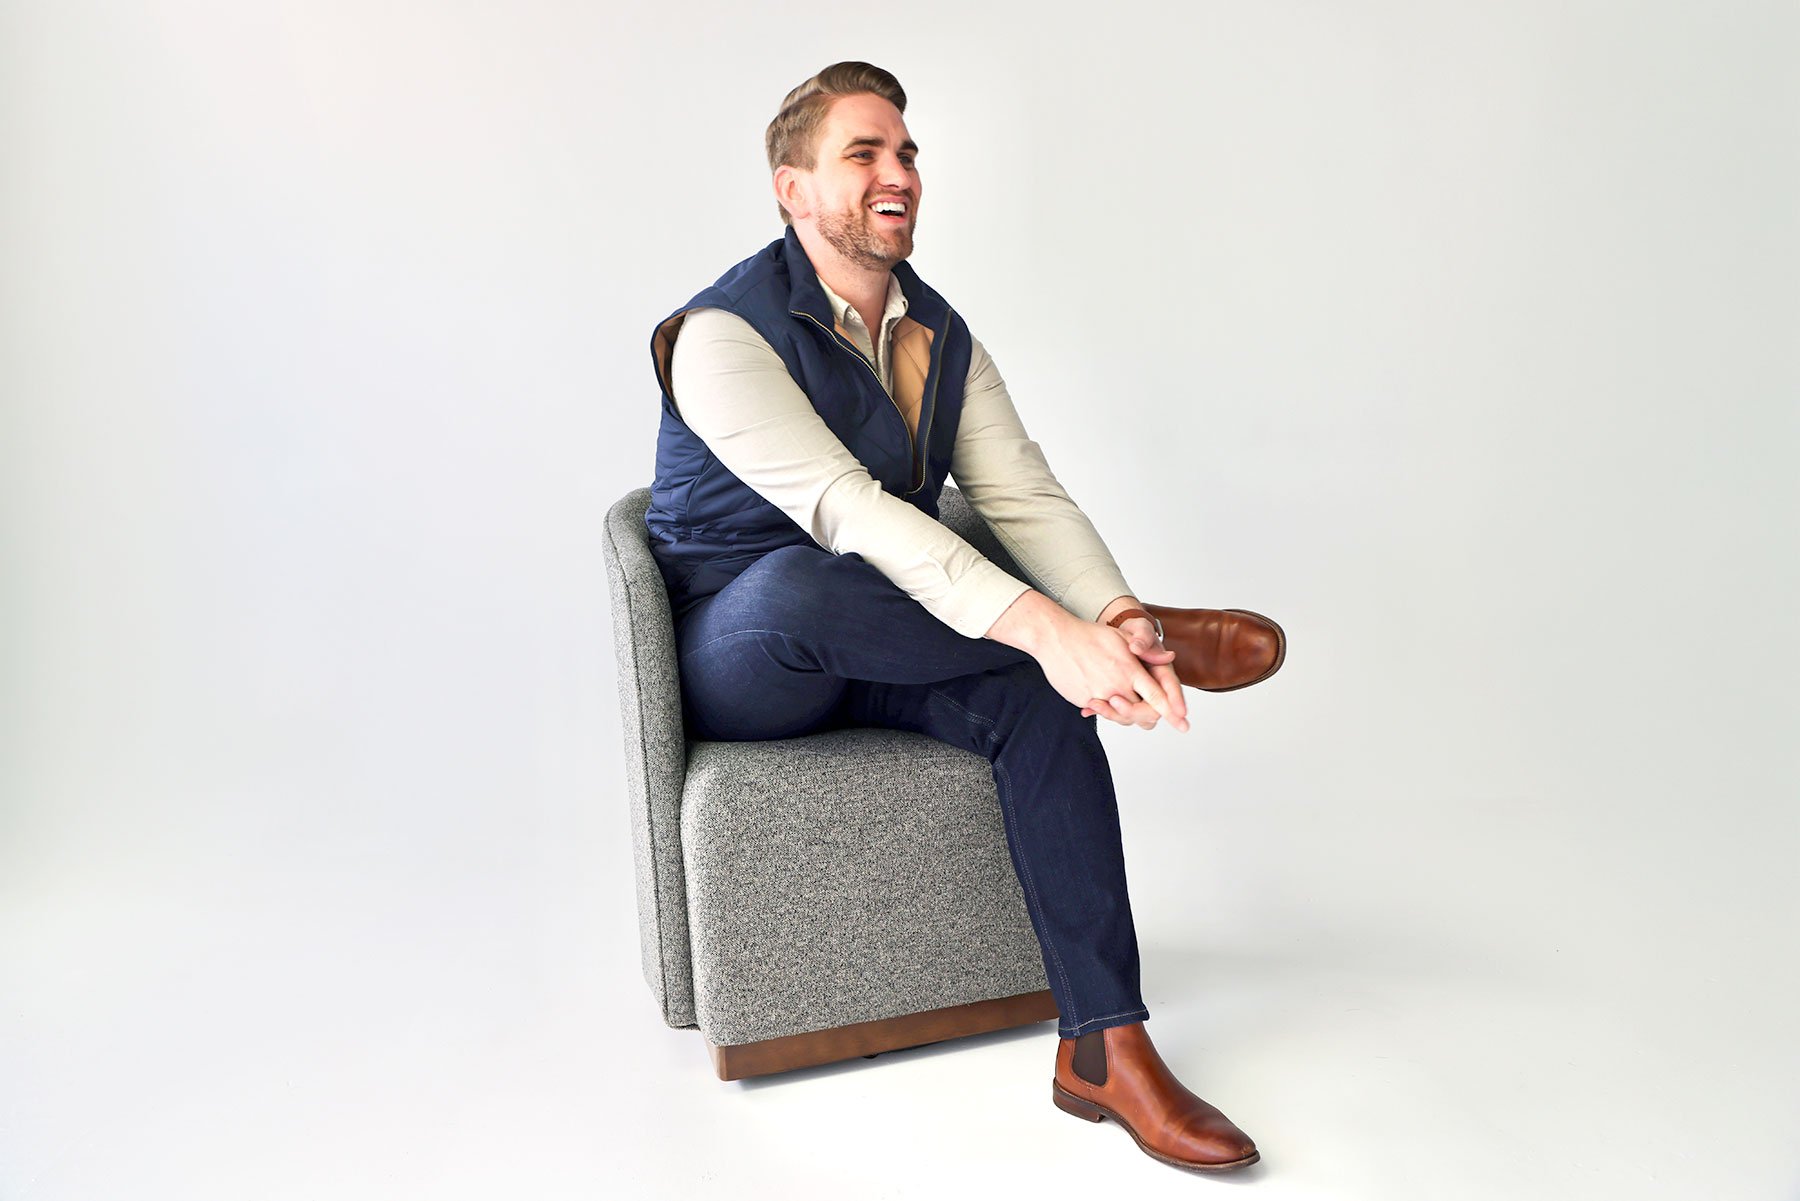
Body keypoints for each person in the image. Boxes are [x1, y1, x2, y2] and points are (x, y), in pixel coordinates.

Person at [644, 61, 1284, 1174]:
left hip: (889, 637)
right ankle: (1123, 644)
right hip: (747, 653)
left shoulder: (940, 333)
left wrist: (1105, 610)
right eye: (864, 154)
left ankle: (1105, 1048)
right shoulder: (718, 335)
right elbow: (846, 510)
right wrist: (1049, 624)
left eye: (908, 153)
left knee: (1039, 695)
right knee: (818, 577)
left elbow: (1020, 494)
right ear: (793, 190)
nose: (899, 174)